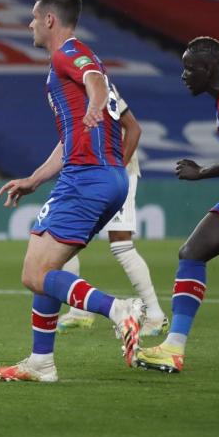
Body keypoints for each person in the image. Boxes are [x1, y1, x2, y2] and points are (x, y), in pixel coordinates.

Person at [0, 0, 145, 383]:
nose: (28, 23)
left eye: (32, 16)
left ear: (49, 20)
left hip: (88, 176)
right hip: (104, 176)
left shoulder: (70, 52)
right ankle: (41, 363)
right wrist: (33, 179)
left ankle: (119, 310)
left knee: (33, 273)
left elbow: (94, 78)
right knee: (48, 268)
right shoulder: (63, 66)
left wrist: (96, 103)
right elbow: (68, 140)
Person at [135, 36, 219, 374]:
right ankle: (173, 348)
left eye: (189, 69)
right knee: (192, 253)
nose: (183, 76)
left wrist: (201, 173)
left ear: (208, 69)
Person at [56, 87, 168, 336]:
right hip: (86, 169)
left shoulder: (100, 85)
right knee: (62, 234)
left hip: (115, 169)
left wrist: (117, 170)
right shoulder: (65, 89)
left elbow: (134, 128)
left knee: (121, 243)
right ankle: (79, 311)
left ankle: (156, 315)